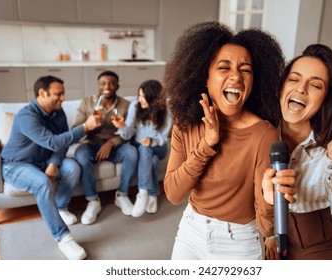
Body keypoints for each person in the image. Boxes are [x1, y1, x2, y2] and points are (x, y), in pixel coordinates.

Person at [162, 21, 292, 260]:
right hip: (191, 230)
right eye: (225, 67)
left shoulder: (264, 135)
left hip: (239, 241)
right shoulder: (185, 124)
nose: (236, 77)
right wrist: (206, 145)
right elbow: (173, 193)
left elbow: (265, 226)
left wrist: (268, 197)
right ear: (204, 76)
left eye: (246, 69)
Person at [263, 44, 332, 260]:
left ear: (327, 97)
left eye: (315, 85)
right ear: (281, 86)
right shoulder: (262, 133)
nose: (301, 89)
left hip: (331, 244)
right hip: (280, 236)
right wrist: (270, 232)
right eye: (294, 79)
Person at [1, 75, 101, 260]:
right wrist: (85, 127)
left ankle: (61, 207)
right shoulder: (26, 116)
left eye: (63, 94)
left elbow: (62, 145)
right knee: (42, 182)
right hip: (16, 165)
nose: (63, 98)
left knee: (73, 167)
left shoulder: (58, 112)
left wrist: (54, 163)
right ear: (42, 93)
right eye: (58, 94)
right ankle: (63, 238)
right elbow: (54, 142)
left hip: (44, 162)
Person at [73, 71, 138, 223]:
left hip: (114, 146)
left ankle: (121, 195)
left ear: (117, 86)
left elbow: (130, 132)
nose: (107, 87)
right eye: (103, 83)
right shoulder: (87, 102)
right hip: (91, 144)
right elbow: (75, 129)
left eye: (111, 83)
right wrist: (89, 125)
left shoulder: (126, 105)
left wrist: (111, 143)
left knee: (132, 153)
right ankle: (93, 201)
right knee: (81, 155)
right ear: (98, 85)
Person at [112, 79, 172, 217]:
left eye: (143, 96)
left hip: (159, 146)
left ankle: (142, 192)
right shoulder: (135, 106)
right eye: (139, 95)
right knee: (152, 159)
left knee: (146, 149)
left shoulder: (166, 110)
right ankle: (152, 195)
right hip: (140, 146)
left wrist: (152, 140)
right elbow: (128, 134)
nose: (140, 99)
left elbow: (164, 137)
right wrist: (122, 127)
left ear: (153, 98)